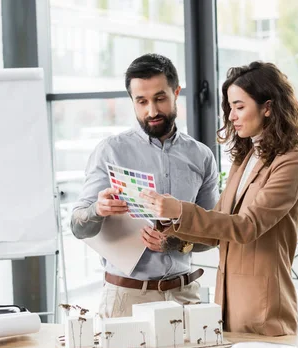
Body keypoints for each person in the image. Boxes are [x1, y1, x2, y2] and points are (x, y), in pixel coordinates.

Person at [140, 61, 298, 336]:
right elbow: (217, 229)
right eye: (230, 107)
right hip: (226, 301)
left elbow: (246, 226)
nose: (231, 116)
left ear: (267, 107)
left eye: (240, 107)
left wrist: (180, 210)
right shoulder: (244, 160)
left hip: (264, 307)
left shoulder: (290, 164)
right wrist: (169, 230)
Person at [70, 53, 219, 318]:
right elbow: (78, 227)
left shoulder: (201, 156)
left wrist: (174, 243)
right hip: (125, 299)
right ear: (132, 102)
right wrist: (97, 209)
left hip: (185, 297)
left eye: (160, 98)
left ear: (176, 92)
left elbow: (212, 235)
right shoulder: (110, 152)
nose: (152, 111)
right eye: (142, 101)